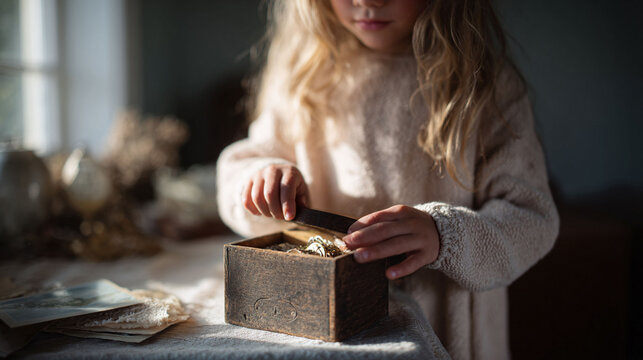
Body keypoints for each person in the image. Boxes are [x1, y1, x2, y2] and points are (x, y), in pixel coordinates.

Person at [216, 0, 559, 359]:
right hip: (324, 328)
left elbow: (532, 219)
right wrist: (260, 179)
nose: (366, 2)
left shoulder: (485, 84)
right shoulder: (305, 73)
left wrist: (446, 235)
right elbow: (245, 165)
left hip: (447, 333)